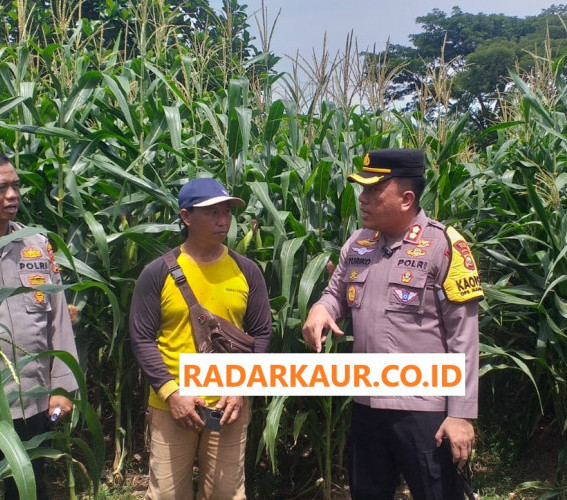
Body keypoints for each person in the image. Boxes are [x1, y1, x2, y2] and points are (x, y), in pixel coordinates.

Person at [302, 148, 483, 499]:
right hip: (367, 406)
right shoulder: (358, 243)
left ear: (406, 198)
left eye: (373, 190)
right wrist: (320, 309)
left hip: (425, 411)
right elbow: (335, 292)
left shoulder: (443, 245)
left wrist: (461, 414)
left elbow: (464, 337)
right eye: (362, 189)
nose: (362, 198)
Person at [130, 177, 271, 499]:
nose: (223, 220)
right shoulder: (158, 272)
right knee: (166, 493)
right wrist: (172, 394)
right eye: (212, 213)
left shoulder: (246, 270)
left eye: (226, 212)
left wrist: (242, 388)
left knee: (226, 492)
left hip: (228, 405)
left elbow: (262, 332)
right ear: (186, 217)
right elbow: (141, 337)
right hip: (173, 403)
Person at [0, 154, 78, 500]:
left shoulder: (36, 246)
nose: (12, 195)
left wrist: (61, 387)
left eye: (15, 185)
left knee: (29, 487)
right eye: (2, 188)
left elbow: (57, 319)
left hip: (30, 399)